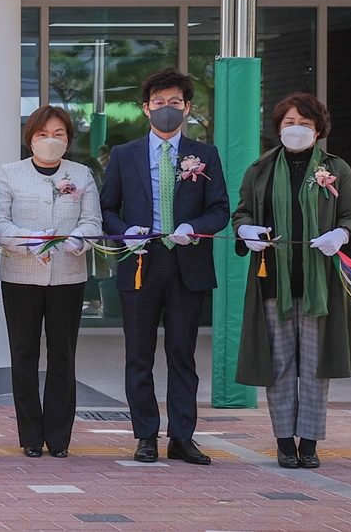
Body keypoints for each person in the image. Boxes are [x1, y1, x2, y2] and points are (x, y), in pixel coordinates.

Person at [101, 68, 230, 465]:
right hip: (141, 262)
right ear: (146, 108)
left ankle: (182, 437)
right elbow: (107, 209)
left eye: (175, 102)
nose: (166, 109)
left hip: (187, 263)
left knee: (182, 355)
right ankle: (145, 436)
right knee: (139, 356)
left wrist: (194, 227)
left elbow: (220, 209)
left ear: (187, 108)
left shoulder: (205, 155)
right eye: (159, 102)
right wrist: (126, 232)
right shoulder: (124, 154)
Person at [232, 93, 351, 469]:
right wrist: (245, 229)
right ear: (278, 128)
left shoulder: (336, 168)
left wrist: (341, 234)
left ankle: (308, 442)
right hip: (272, 280)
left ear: (318, 130)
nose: (296, 129)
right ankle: (283, 442)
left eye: (305, 124)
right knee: (279, 367)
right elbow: (241, 212)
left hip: (318, 285)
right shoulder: (259, 168)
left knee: (313, 367)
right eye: (289, 123)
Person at [0, 106, 100, 458]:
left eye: (58, 134)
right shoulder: (10, 173)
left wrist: (80, 238)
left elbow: (93, 221)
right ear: (30, 139)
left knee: (62, 354)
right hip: (21, 275)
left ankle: (59, 436)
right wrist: (29, 240)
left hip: (68, 274)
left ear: (68, 139)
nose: (50, 141)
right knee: (24, 353)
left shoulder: (81, 174)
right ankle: (30, 436)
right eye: (42, 135)